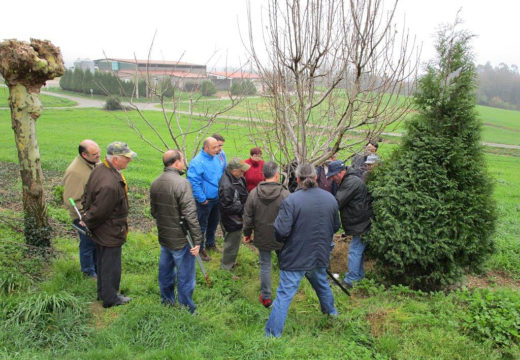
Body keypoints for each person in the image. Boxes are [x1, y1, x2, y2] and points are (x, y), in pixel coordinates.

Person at [265, 163, 339, 338]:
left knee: (284, 294)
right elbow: (335, 227)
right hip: (319, 253)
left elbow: (281, 232)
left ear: (297, 179)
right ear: (315, 178)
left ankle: (271, 335)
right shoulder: (330, 199)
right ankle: (332, 315)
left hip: (295, 255)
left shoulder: (291, 201)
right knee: (321, 285)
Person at [82, 141, 136, 308]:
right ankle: (111, 299)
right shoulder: (110, 184)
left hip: (102, 230)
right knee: (111, 265)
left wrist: (87, 217)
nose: (129, 161)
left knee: (103, 262)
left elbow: (87, 195)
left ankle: (103, 293)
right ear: (115, 159)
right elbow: (100, 211)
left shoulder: (100, 169)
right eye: (126, 158)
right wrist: (88, 220)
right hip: (110, 230)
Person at [150, 150, 201, 313]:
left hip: (164, 236)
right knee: (186, 277)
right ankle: (186, 309)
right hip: (181, 238)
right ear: (176, 162)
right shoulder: (182, 183)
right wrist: (198, 241)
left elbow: (153, 212)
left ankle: (166, 302)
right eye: (182, 159)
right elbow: (190, 215)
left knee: (165, 271)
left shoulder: (156, 182)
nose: (183, 162)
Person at [243, 161, 289, 308]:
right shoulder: (285, 194)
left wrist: (247, 233)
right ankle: (285, 294)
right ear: (276, 176)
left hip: (262, 234)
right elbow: (291, 216)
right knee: (285, 264)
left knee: (265, 265)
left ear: (264, 175)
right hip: (281, 235)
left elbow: (248, 216)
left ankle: (266, 297)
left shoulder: (254, 193)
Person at [327, 160, 373, 288]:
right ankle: (358, 277)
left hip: (361, 223)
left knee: (354, 251)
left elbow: (337, 202)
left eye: (333, 176)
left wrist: (322, 208)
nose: (332, 179)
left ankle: (350, 280)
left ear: (341, 172)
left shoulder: (350, 182)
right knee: (358, 250)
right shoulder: (350, 180)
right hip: (360, 222)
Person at [63, 139, 100, 279]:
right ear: (85, 155)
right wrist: (85, 216)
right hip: (82, 217)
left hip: (93, 214)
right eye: (95, 154)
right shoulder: (76, 172)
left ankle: (96, 268)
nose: (98, 156)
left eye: (98, 152)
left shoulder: (93, 164)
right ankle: (88, 273)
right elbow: (71, 199)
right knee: (87, 244)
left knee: (96, 243)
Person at [187, 137, 224, 260]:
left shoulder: (217, 158)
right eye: (214, 147)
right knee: (201, 225)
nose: (217, 149)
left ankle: (210, 243)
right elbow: (193, 182)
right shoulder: (197, 162)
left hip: (217, 197)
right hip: (205, 200)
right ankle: (200, 248)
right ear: (206, 147)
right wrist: (202, 198)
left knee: (213, 223)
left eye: (218, 147)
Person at [219, 158, 250, 271]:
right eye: (241, 171)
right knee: (231, 245)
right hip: (231, 220)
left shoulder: (237, 178)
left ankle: (230, 262)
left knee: (234, 243)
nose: (243, 173)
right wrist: (244, 208)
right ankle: (226, 269)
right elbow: (226, 207)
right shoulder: (227, 185)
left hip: (236, 217)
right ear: (233, 170)